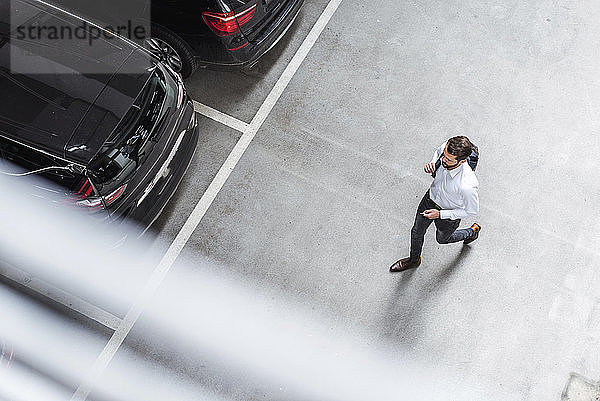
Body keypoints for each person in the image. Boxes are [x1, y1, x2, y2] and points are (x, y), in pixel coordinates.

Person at [389, 136, 481, 272]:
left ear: (462, 161)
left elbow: (472, 210)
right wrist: (433, 163)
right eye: (444, 155)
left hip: (448, 215)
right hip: (429, 200)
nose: (443, 160)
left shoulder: (467, 185)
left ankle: (471, 232)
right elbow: (439, 152)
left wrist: (440, 214)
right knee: (416, 231)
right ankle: (414, 260)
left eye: (448, 160)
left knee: (442, 239)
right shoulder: (447, 150)